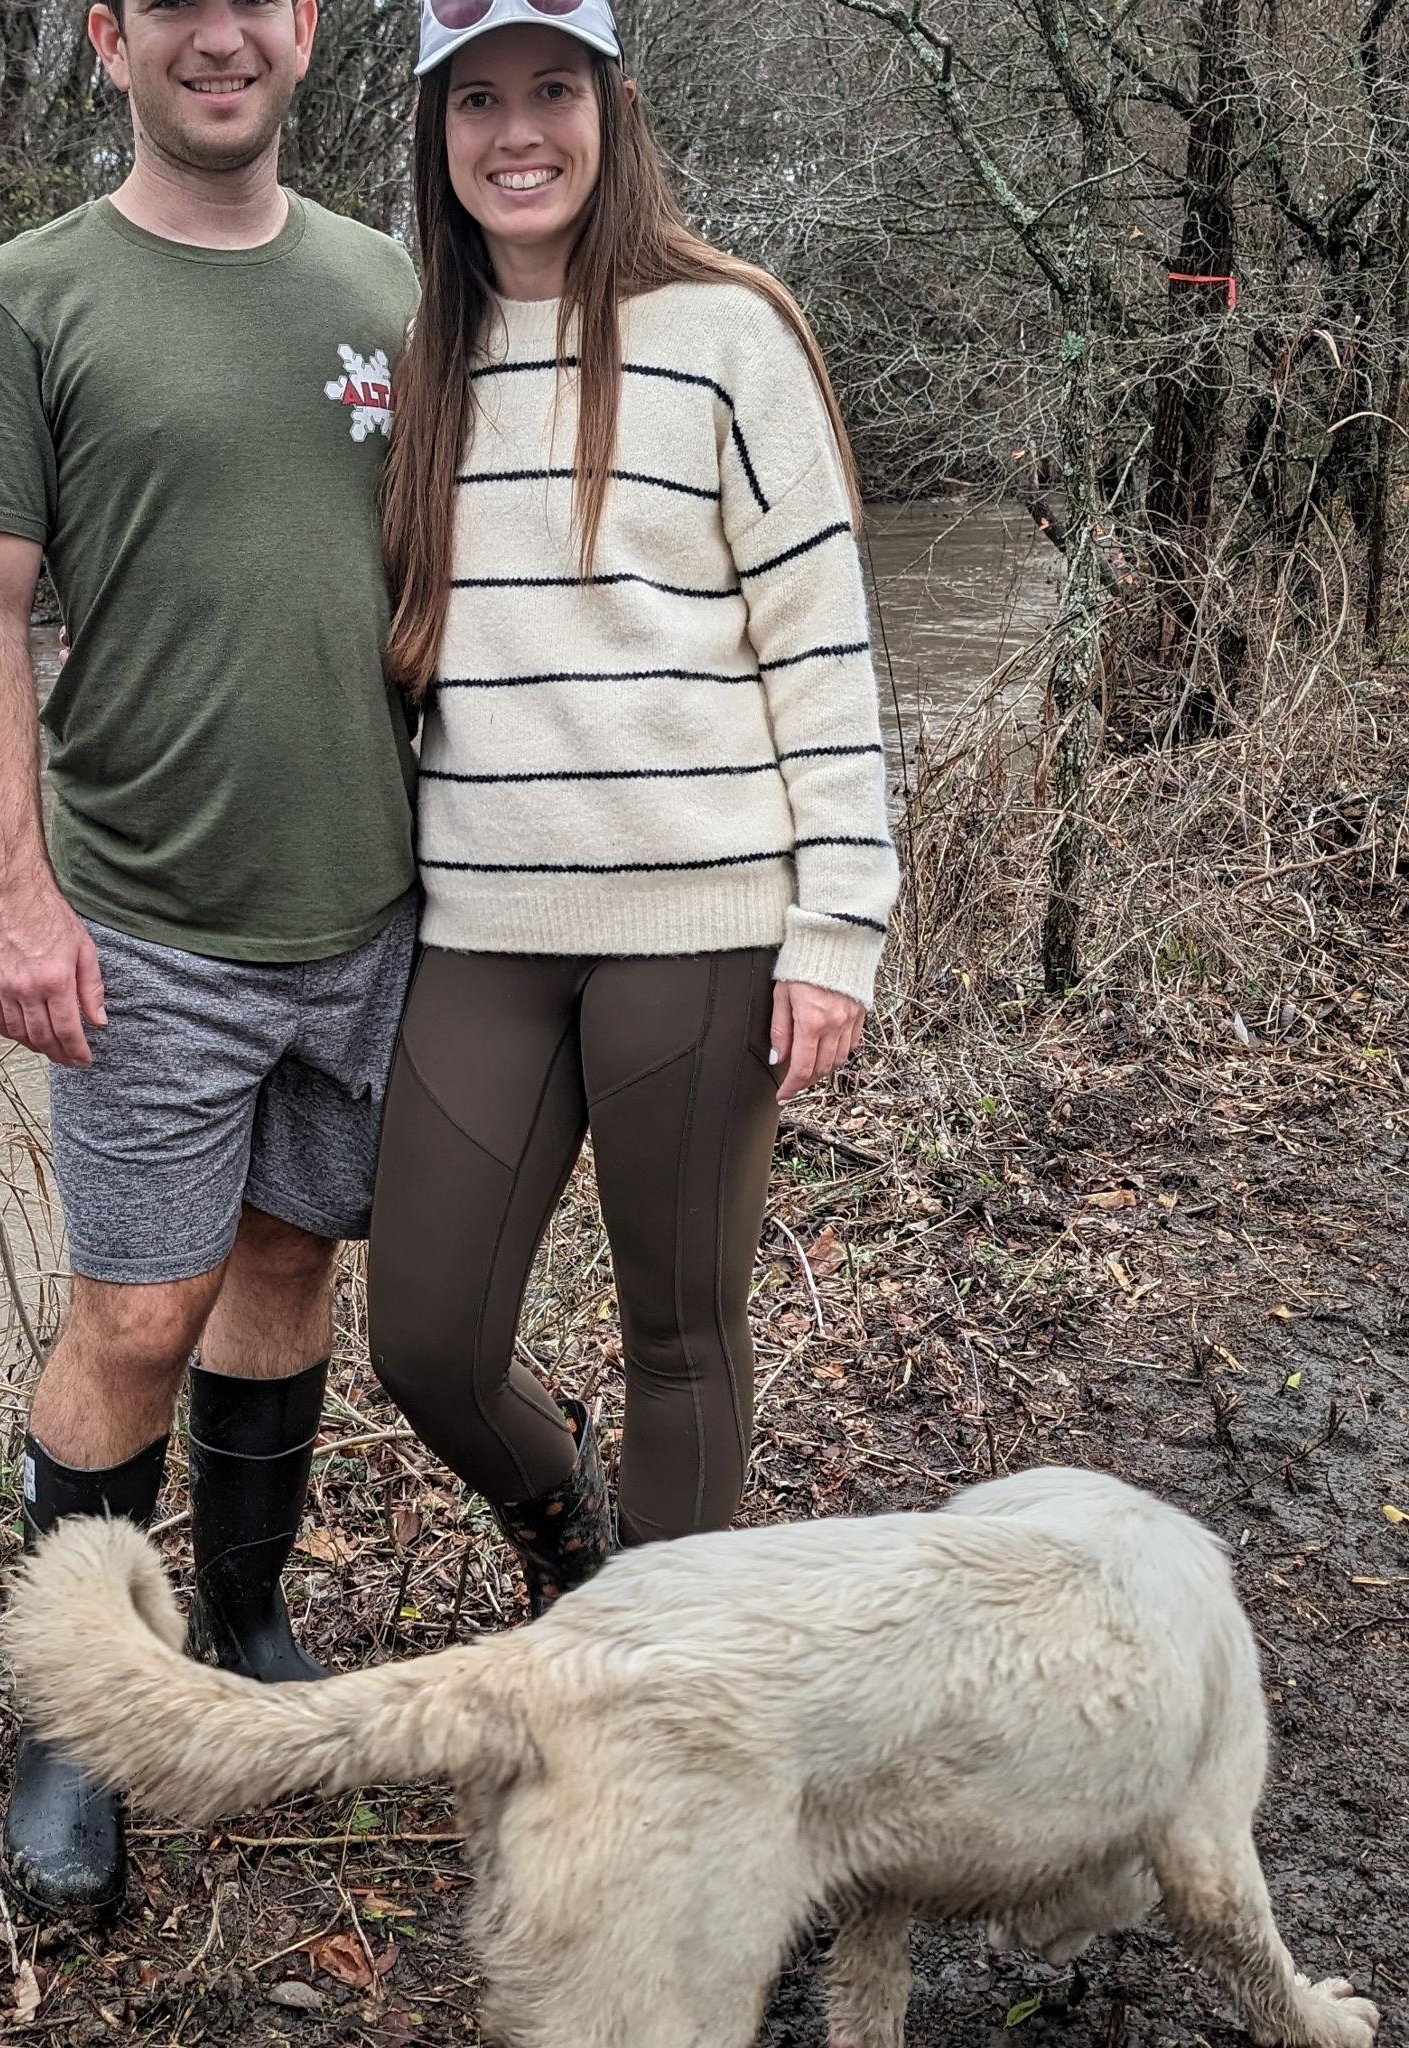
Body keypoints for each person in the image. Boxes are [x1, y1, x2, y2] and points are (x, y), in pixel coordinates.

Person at [0, 0, 419, 1918]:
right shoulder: (23, 300)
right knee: (132, 1319)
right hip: (143, 927)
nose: (224, 38)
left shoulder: (388, 280)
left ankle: (243, 1618)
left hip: (373, 913)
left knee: (290, 1266)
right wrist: (13, 895)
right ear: (112, 36)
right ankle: (79, 1710)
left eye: (260, 4)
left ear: (305, 32)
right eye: (176, 5)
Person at [366, 0, 900, 1610]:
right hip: (483, 926)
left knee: (682, 1330)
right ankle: (570, 1529)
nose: (515, 132)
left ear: (613, 107)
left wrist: (838, 926)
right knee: (429, 1341)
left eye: (550, 90)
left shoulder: (734, 332)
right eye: (476, 100)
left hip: (702, 917)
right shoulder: (418, 361)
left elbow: (823, 641)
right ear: (435, 129)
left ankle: (655, 1677)